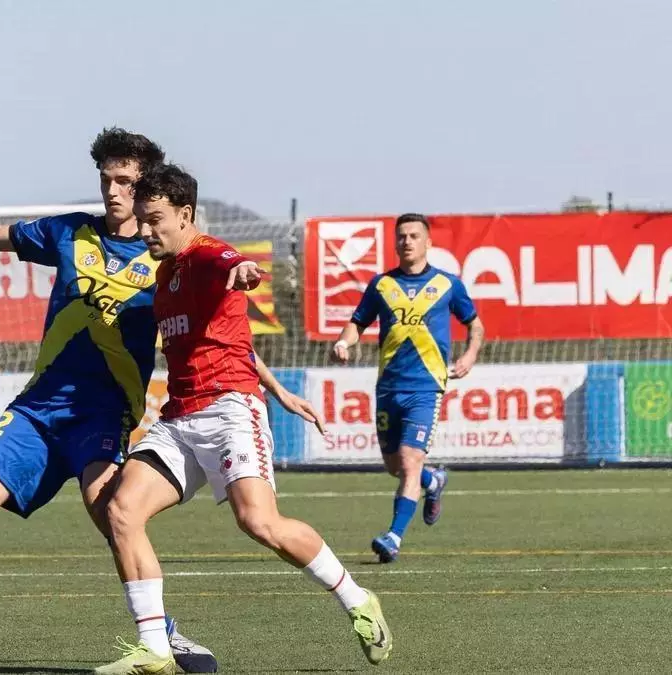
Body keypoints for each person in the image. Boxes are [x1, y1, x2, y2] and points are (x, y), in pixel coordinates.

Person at [0, 128, 219, 673]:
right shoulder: (69, 233)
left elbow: (213, 316)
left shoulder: (167, 257)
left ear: (148, 186)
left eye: (125, 181)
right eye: (106, 179)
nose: (113, 191)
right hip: (38, 410)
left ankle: (164, 633)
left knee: (113, 513)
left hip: (103, 416)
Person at [96, 164, 391, 675]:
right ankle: (155, 649)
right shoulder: (165, 274)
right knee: (121, 511)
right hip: (179, 418)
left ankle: (358, 599)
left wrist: (245, 270)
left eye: (154, 219)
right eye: (141, 220)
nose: (144, 231)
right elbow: (237, 342)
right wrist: (280, 390)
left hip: (228, 409)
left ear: (185, 214)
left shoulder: (210, 256)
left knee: (259, 522)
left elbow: (234, 264)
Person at [331, 213, 484, 563]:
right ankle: (434, 482)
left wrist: (470, 355)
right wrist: (343, 342)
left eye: (414, 236)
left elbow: (475, 325)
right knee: (394, 466)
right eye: (401, 236)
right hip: (388, 388)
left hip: (426, 388)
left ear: (428, 242)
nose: (407, 241)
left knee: (410, 459)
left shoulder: (447, 284)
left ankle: (393, 537)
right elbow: (357, 323)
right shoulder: (382, 285)